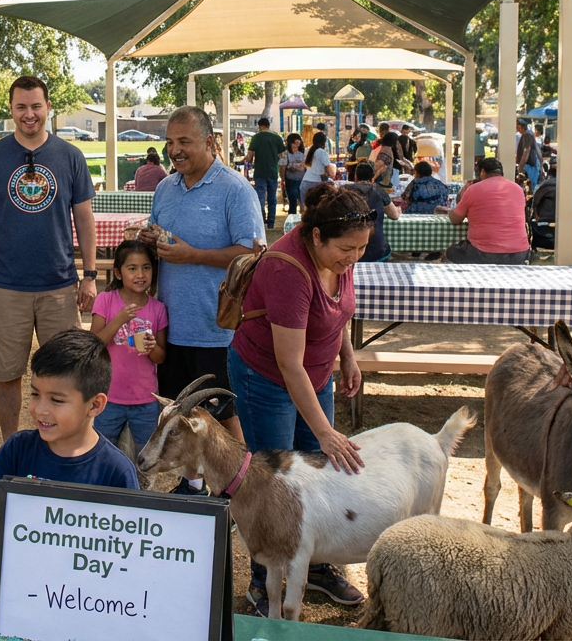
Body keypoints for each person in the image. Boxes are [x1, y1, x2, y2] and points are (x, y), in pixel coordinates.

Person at [230, 183, 370, 615]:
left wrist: (347, 356)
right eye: (346, 249)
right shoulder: (287, 268)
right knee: (272, 481)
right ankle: (262, 580)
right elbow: (288, 364)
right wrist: (326, 431)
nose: (353, 258)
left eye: (362, 248)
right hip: (265, 376)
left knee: (317, 474)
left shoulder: (340, 252)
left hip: (314, 374)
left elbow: (338, 311)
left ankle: (318, 567)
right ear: (316, 237)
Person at [138, 106, 262, 495]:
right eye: (170, 142)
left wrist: (193, 255)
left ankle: (241, 486)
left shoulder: (235, 189)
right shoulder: (164, 188)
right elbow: (167, 244)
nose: (175, 151)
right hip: (171, 323)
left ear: (210, 142)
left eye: (184, 142)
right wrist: (151, 241)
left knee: (225, 416)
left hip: (217, 328)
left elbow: (253, 253)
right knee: (178, 412)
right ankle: (191, 484)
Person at [0, 76, 98, 439]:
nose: (29, 114)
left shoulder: (70, 156)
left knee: (66, 377)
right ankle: (11, 447)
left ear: (48, 108)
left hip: (59, 286)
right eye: (21, 107)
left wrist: (89, 274)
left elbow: (84, 219)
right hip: (7, 288)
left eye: (36, 106)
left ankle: (66, 445)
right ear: (10, 109)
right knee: (7, 374)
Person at [0, 329, 139, 523]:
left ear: (95, 405)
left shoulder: (116, 471)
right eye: (35, 394)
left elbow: (130, 539)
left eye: (56, 400)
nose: (40, 409)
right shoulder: (19, 449)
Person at [88, 240, 167, 456]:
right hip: (109, 396)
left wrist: (152, 348)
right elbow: (95, 345)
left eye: (146, 267)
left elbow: (161, 357)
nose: (140, 274)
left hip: (146, 399)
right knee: (103, 451)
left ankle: (140, 489)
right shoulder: (106, 300)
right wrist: (119, 319)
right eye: (132, 268)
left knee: (146, 456)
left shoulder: (158, 308)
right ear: (119, 273)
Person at [436, 158, 530, 265]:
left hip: (483, 253)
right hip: (519, 253)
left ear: (482, 172)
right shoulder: (518, 189)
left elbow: (455, 219)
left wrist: (462, 194)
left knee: (450, 252)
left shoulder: (473, 189)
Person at [348, 162, 399, 262]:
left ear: (356, 177)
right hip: (377, 251)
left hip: (348, 251)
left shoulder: (343, 191)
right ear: (372, 178)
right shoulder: (379, 191)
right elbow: (394, 215)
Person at [245, 116, 286, 229]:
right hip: (272, 171)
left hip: (260, 172)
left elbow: (249, 156)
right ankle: (271, 222)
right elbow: (282, 154)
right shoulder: (277, 138)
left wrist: (246, 159)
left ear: (260, 126)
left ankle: (261, 220)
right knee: (272, 197)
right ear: (268, 125)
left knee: (260, 197)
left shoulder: (256, 138)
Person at [302, 131, 336, 205]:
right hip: (316, 184)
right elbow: (331, 172)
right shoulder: (321, 152)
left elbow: (305, 165)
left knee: (306, 211)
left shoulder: (308, 150)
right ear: (324, 142)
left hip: (305, 183)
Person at [281, 132, 307, 214]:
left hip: (302, 179)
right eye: (295, 143)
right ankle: (292, 216)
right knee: (292, 200)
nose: (297, 145)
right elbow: (282, 166)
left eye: (298, 143)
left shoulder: (303, 153)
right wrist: (283, 178)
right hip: (290, 179)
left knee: (302, 200)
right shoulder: (286, 153)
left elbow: (306, 165)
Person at [515, 118, 542, 189]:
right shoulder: (529, 133)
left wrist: (520, 166)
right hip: (532, 163)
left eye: (517, 127)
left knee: (529, 186)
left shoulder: (526, 135)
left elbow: (527, 150)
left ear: (520, 126)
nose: (517, 129)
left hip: (529, 164)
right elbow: (537, 149)